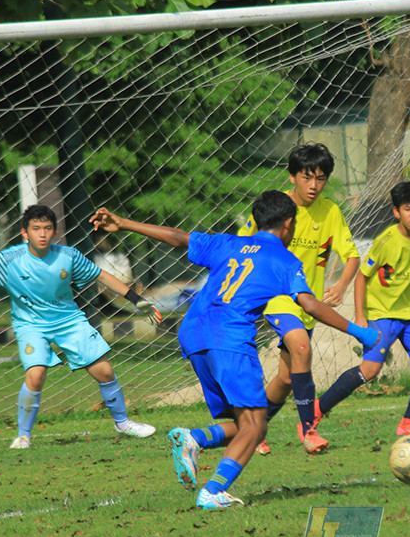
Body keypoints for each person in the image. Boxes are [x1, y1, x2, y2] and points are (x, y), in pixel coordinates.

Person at [89, 192, 379, 509]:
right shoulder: (285, 260)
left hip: (192, 332)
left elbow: (178, 238)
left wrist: (124, 222)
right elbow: (309, 304)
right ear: (288, 224)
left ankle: (195, 439)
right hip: (228, 338)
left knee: (244, 426)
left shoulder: (229, 243)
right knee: (256, 426)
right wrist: (358, 331)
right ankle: (213, 490)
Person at [0, 205, 161, 448]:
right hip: (30, 325)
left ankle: (123, 423)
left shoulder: (67, 256)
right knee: (35, 375)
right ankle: (23, 436)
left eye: (47, 228)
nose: (42, 234)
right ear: (25, 233)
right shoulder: (9, 259)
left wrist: (134, 298)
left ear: (55, 232)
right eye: (36, 229)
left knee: (105, 372)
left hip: (68, 320)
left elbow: (100, 275)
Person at [238, 143, 361, 455]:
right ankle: (308, 429)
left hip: (308, 304)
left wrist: (342, 285)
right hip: (276, 299)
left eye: (320, 178)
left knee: (285, 378)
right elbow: (241, 244)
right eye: (307, 177)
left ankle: (254, 431)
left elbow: (351, 256)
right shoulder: (275, 208)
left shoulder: (331, 211)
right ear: (292, 177)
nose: (314, 185)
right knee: (302, 347)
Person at [317, 181, 410, 437]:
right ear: (397, 212)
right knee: (370, 371)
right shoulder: (386, 240)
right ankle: (318, 409)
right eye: (408, 209)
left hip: (409, 312)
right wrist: (360, 316)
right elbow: (362, 276)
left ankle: (408, 422)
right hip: (380, 313)